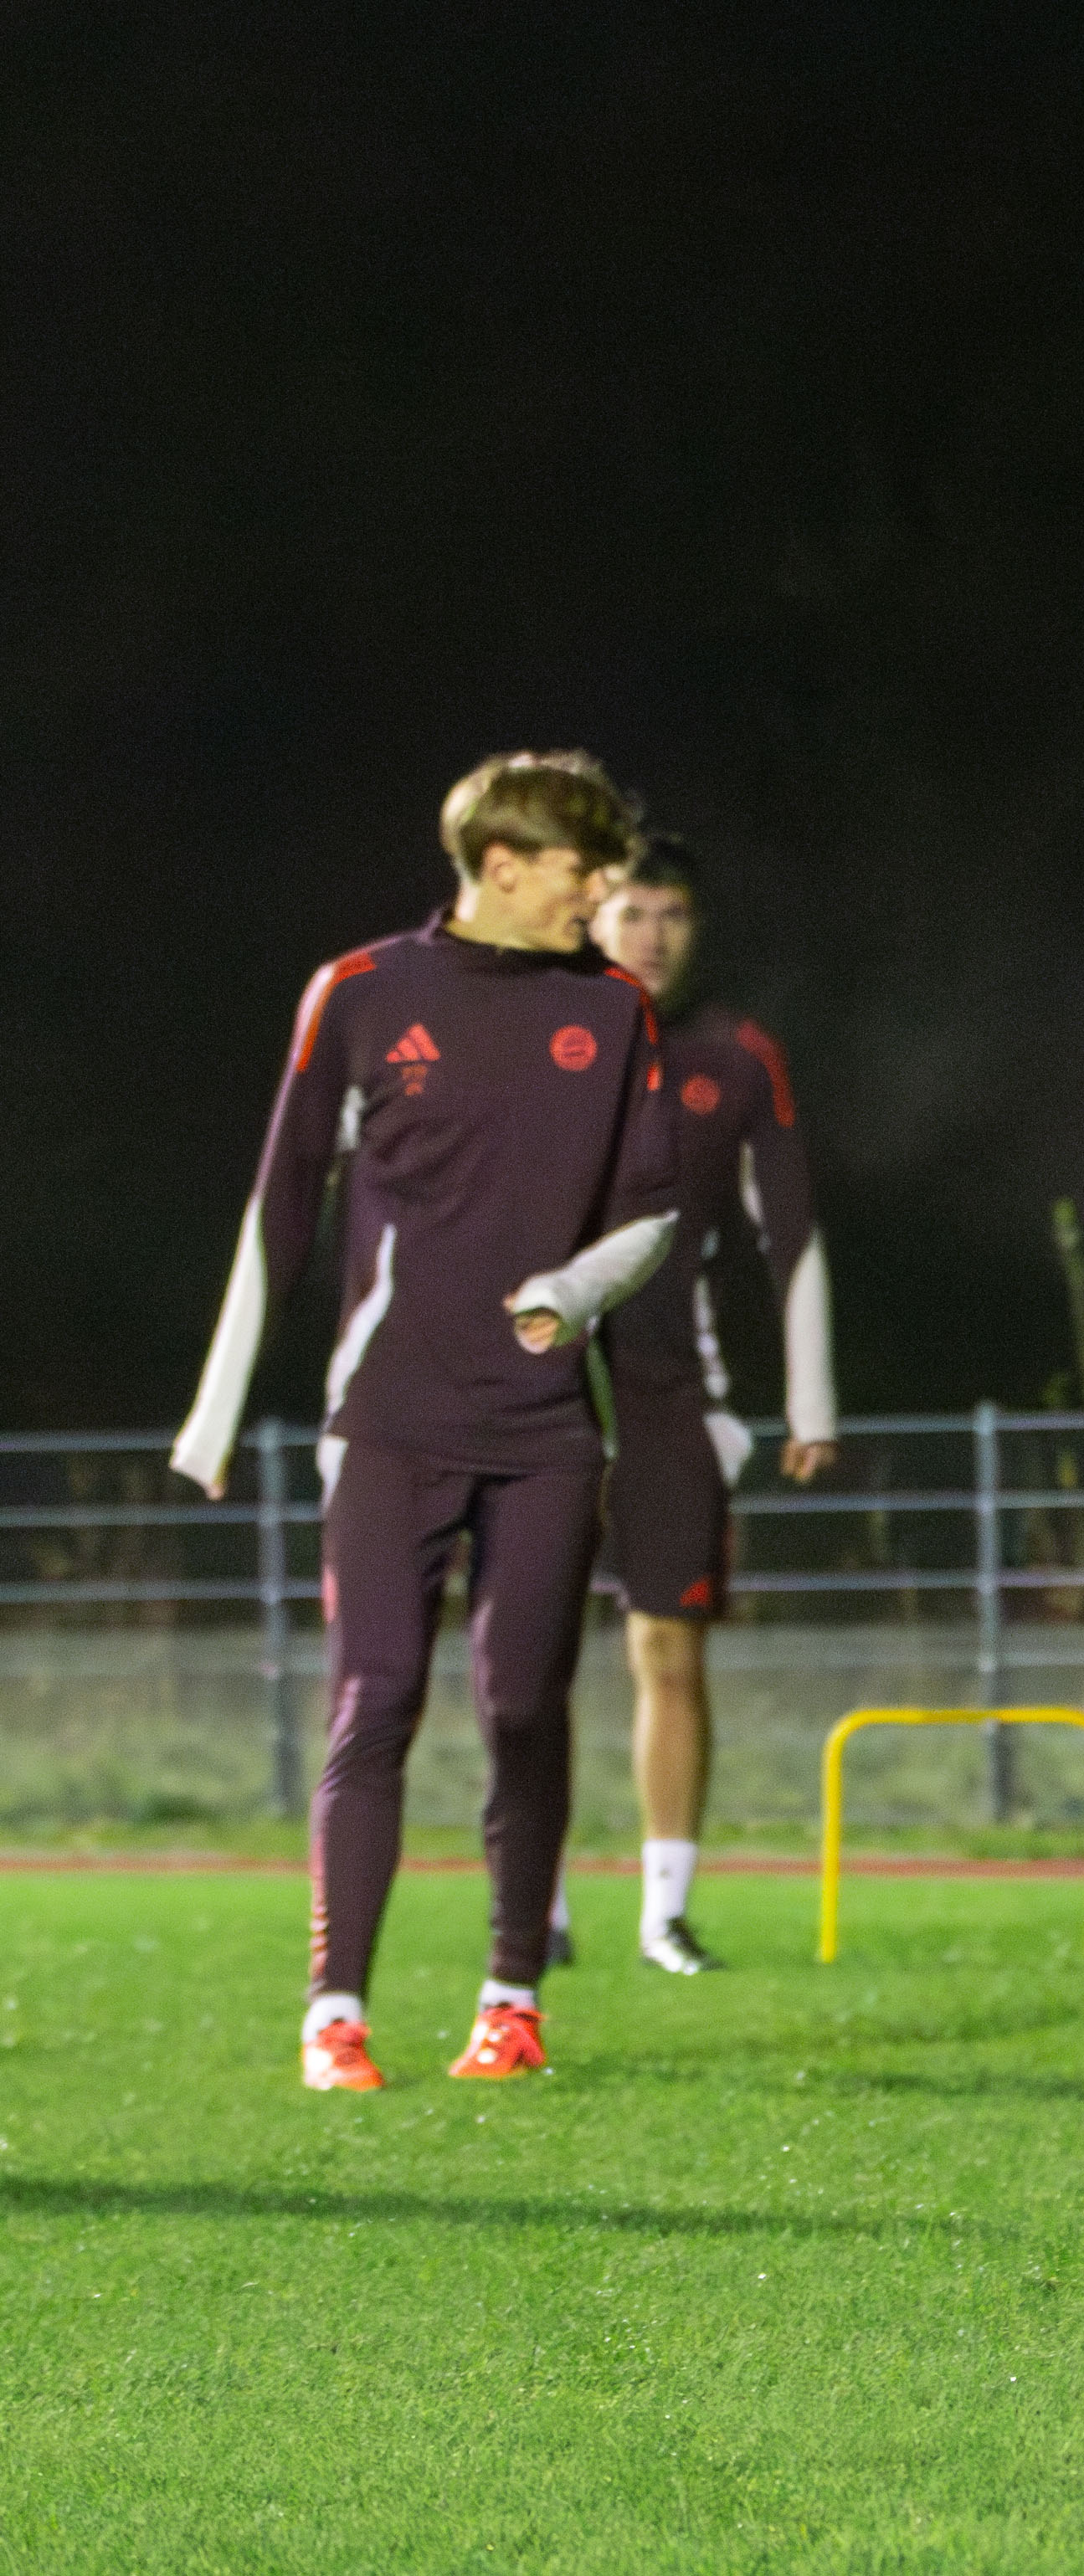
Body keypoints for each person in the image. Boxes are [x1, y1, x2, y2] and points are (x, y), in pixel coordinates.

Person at [175, 751, 679, 2091]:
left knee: (523, 1706)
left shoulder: (616, 1007)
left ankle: (511, 2001)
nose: (605, 896)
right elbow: (281, 1203)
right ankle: (334, 2013)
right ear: (503, 865)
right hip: (388, 1418)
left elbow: (652, 1211)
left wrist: (573, 1294)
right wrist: (218, 1408)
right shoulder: (358, 994)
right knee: (376, 1698)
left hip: (551, 1425)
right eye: (587, 873)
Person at [573, 838, 840, 1974]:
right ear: (591, 916)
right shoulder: (540, 1041)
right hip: (534, 1387)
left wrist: (811, 1398)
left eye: (672, 913)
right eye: (631, 910)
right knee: (521, 1653)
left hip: (674, 1396)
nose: (652, 933)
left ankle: (662, 1910)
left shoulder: (733, 1057)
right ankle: (528, 1900)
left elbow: (792, 1233)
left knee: (668, 1652)